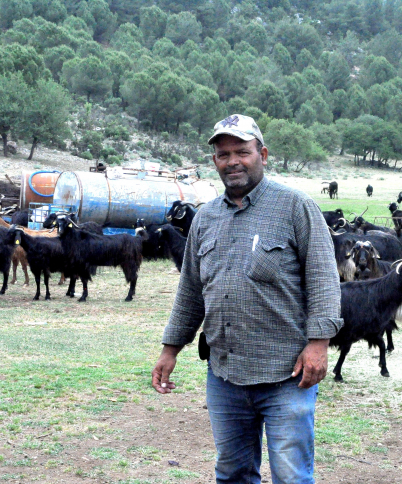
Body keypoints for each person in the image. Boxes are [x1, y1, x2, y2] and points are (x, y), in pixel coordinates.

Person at [151, 114, 343, 484]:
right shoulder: (205, 218)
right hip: (224, 374)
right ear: (215, 162)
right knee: (233, 472)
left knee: (291, 476)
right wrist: (170, 349)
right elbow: (191, 290)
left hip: (288, 374)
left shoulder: (295, 207)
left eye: (242, 151)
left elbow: (324, 281)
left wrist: (318, 345)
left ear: (263, 154)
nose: (233, 161)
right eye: (224, 154)